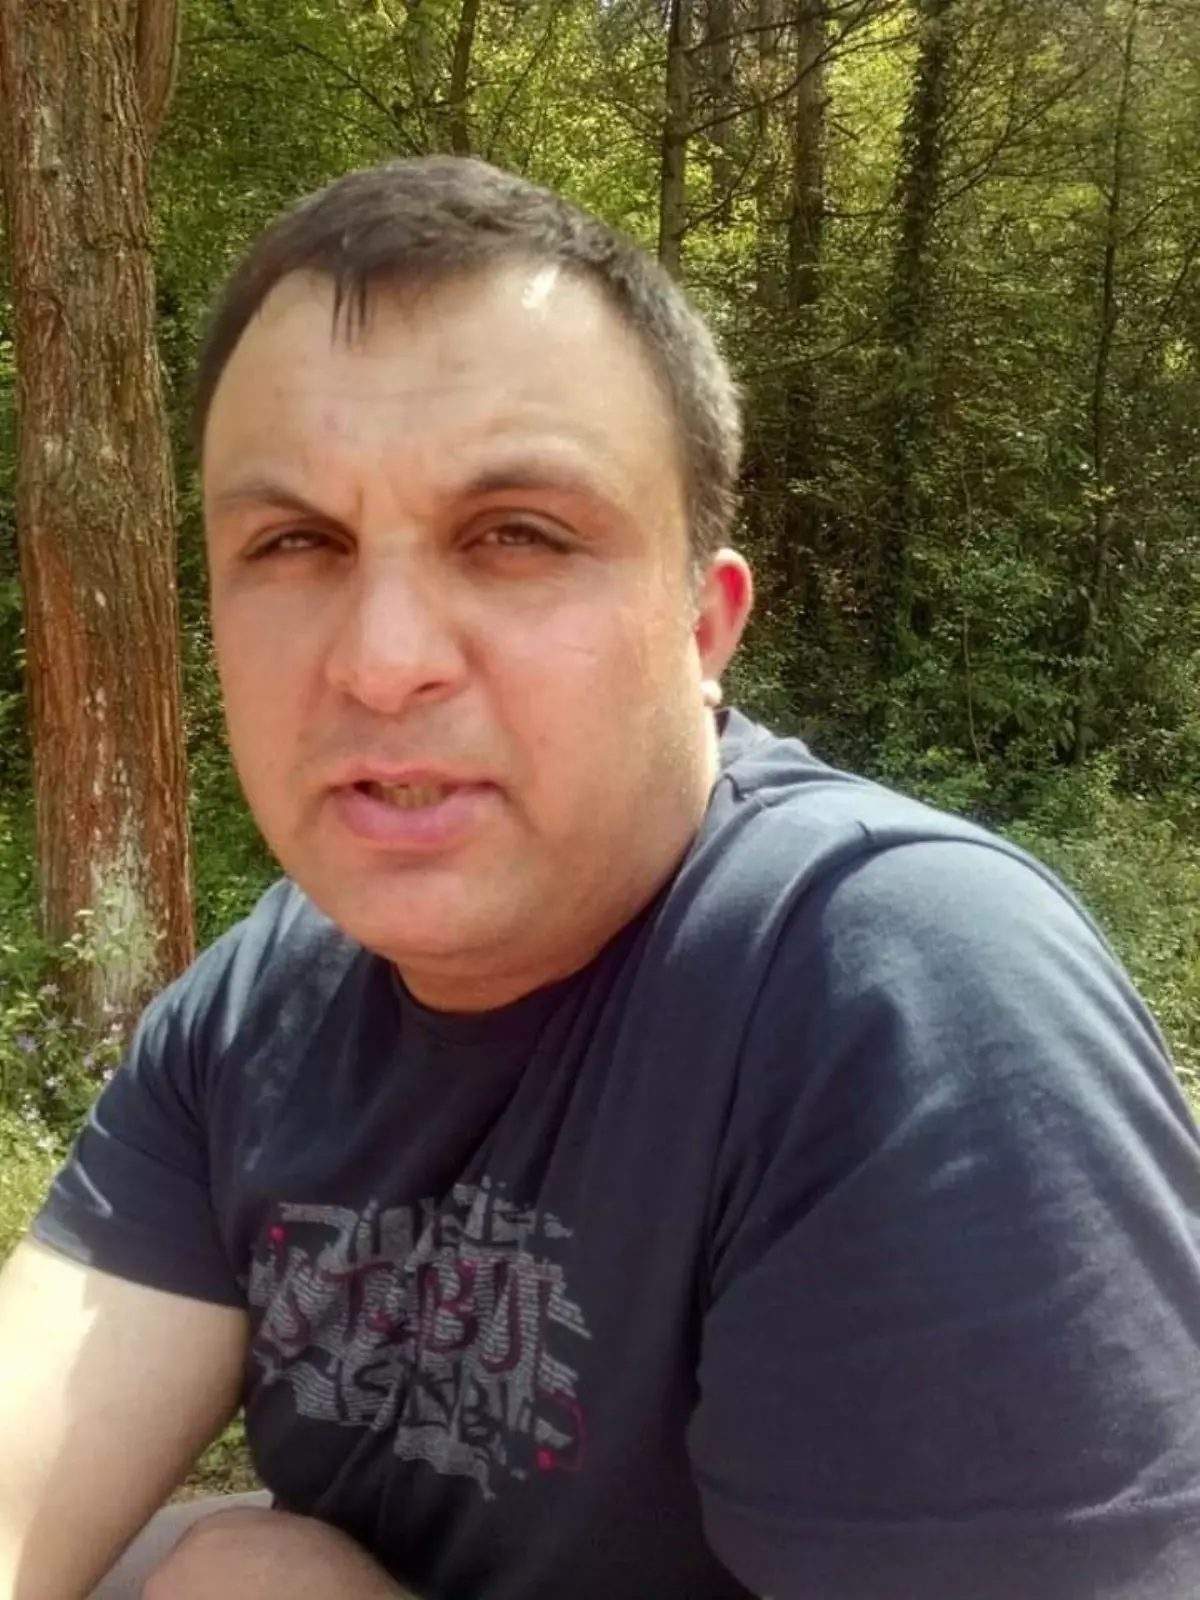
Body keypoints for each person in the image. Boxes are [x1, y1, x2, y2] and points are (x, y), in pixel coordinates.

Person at [1, 156, 1198, 1600]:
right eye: (296, 543)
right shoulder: (256, 1014)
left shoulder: (896, 993)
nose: (382, 660)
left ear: (704, 628)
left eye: (517, 536)